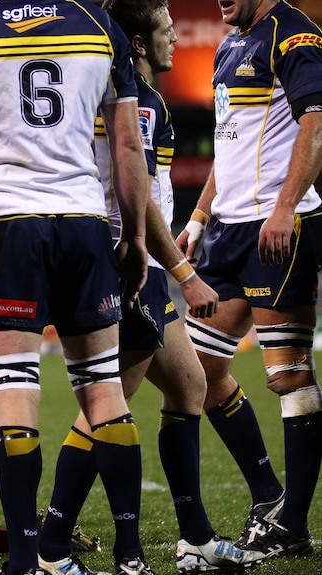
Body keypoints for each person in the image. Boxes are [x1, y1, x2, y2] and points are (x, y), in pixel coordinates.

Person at [0, 2, 153, 575]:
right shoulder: (101, 27)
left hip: (6, 226)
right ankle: (131, 555)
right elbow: (126, 146)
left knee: (15, 396)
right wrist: (136, 234)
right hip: (83, 224)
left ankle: (24, 561)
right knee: (103, 391)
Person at [39, 1, 265, 573]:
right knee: (106, 406)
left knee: (189, 386)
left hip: (138, 266)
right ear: (138, 43)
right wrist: (183, 274)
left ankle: (194, 536)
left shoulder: (136, 93)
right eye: (165, 32)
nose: (173, 41)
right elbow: (131, 197)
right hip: (126, 266)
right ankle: (53, 543)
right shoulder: (134, 98)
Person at [175, 0, 322, 560]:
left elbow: (316, 121)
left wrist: (285, 208)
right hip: (227, 233)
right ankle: (269, 498)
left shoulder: (293, 34)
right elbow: (230, 143)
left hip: (277, 229)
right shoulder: (230, 44)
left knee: (288, 376)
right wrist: (198, 216)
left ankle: (294, 526)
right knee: (195, 372)